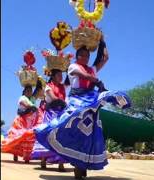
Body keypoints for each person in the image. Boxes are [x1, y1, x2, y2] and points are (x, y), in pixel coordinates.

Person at [34, 36, 132, 179]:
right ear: (77, 56)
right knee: (71, 126)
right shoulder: (73, 66)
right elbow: (83, 75)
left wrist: (102, 42)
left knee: (89, 133)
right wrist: (96, 80)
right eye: (82, 55)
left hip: (90, 103)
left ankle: (82, 162)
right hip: (77, 102)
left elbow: (105, 58)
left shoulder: (92, 68)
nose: (85, 58)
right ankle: (71, 159)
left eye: (87, 56)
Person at [31, 69, 68, 172]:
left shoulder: (62, 87)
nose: (61, 77)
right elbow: (54, 98)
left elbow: (63, 98)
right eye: (59, 75)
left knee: (61, 136)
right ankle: (43, 159)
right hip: (51, 114)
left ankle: (61, 164)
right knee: (48, 135)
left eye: (62, 75)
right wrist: (64, 103)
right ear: (54, 76)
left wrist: (64, 104)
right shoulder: (48, 86)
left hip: (61, 113)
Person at [1, 83, 45, 163]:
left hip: (30, 123)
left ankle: (27, 157)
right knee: (18, 137)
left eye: (30, 91)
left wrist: (38, 86)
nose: (29, 92)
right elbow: (29, 105)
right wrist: (34, 107)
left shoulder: (31, 98)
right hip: (21, 122)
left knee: (28, 138)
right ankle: (15, 154)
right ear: (24, 92)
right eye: (28, 91)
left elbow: (35, 96)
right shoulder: (22, 98)